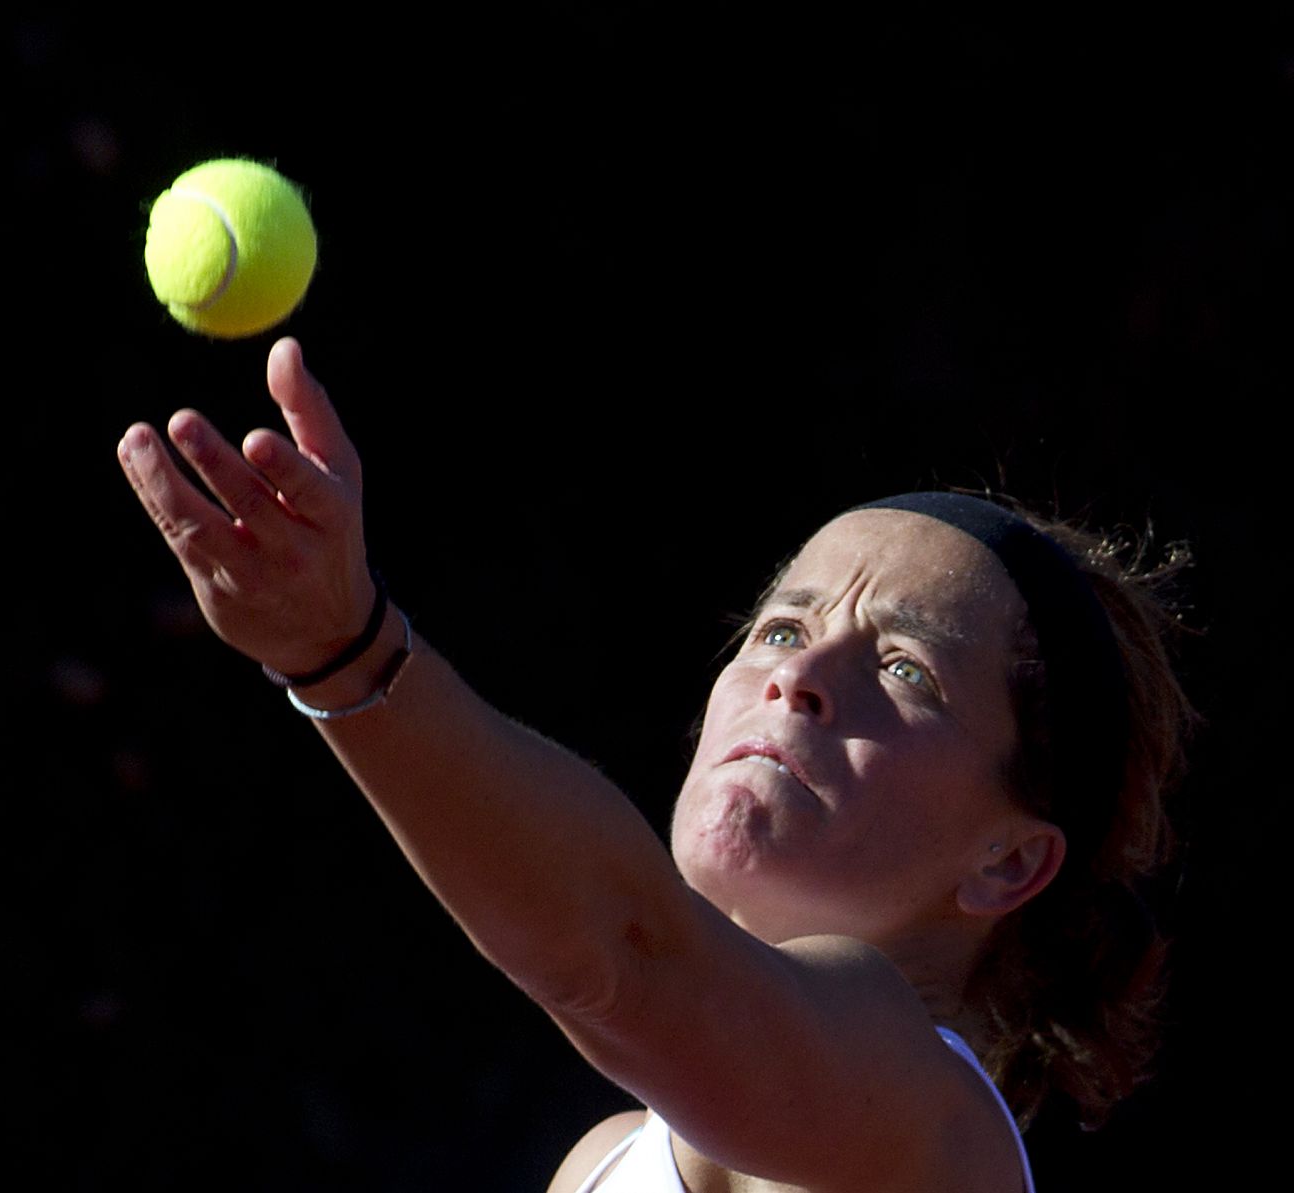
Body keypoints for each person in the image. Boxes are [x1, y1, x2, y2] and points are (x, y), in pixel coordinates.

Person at [117, 338, 1192, 1193]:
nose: (800, 673)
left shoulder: (934, 1123)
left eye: (905, 668)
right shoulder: (598, 1165)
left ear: (1008, 860)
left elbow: (624, 952)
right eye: (778, 628)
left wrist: (343, 649)